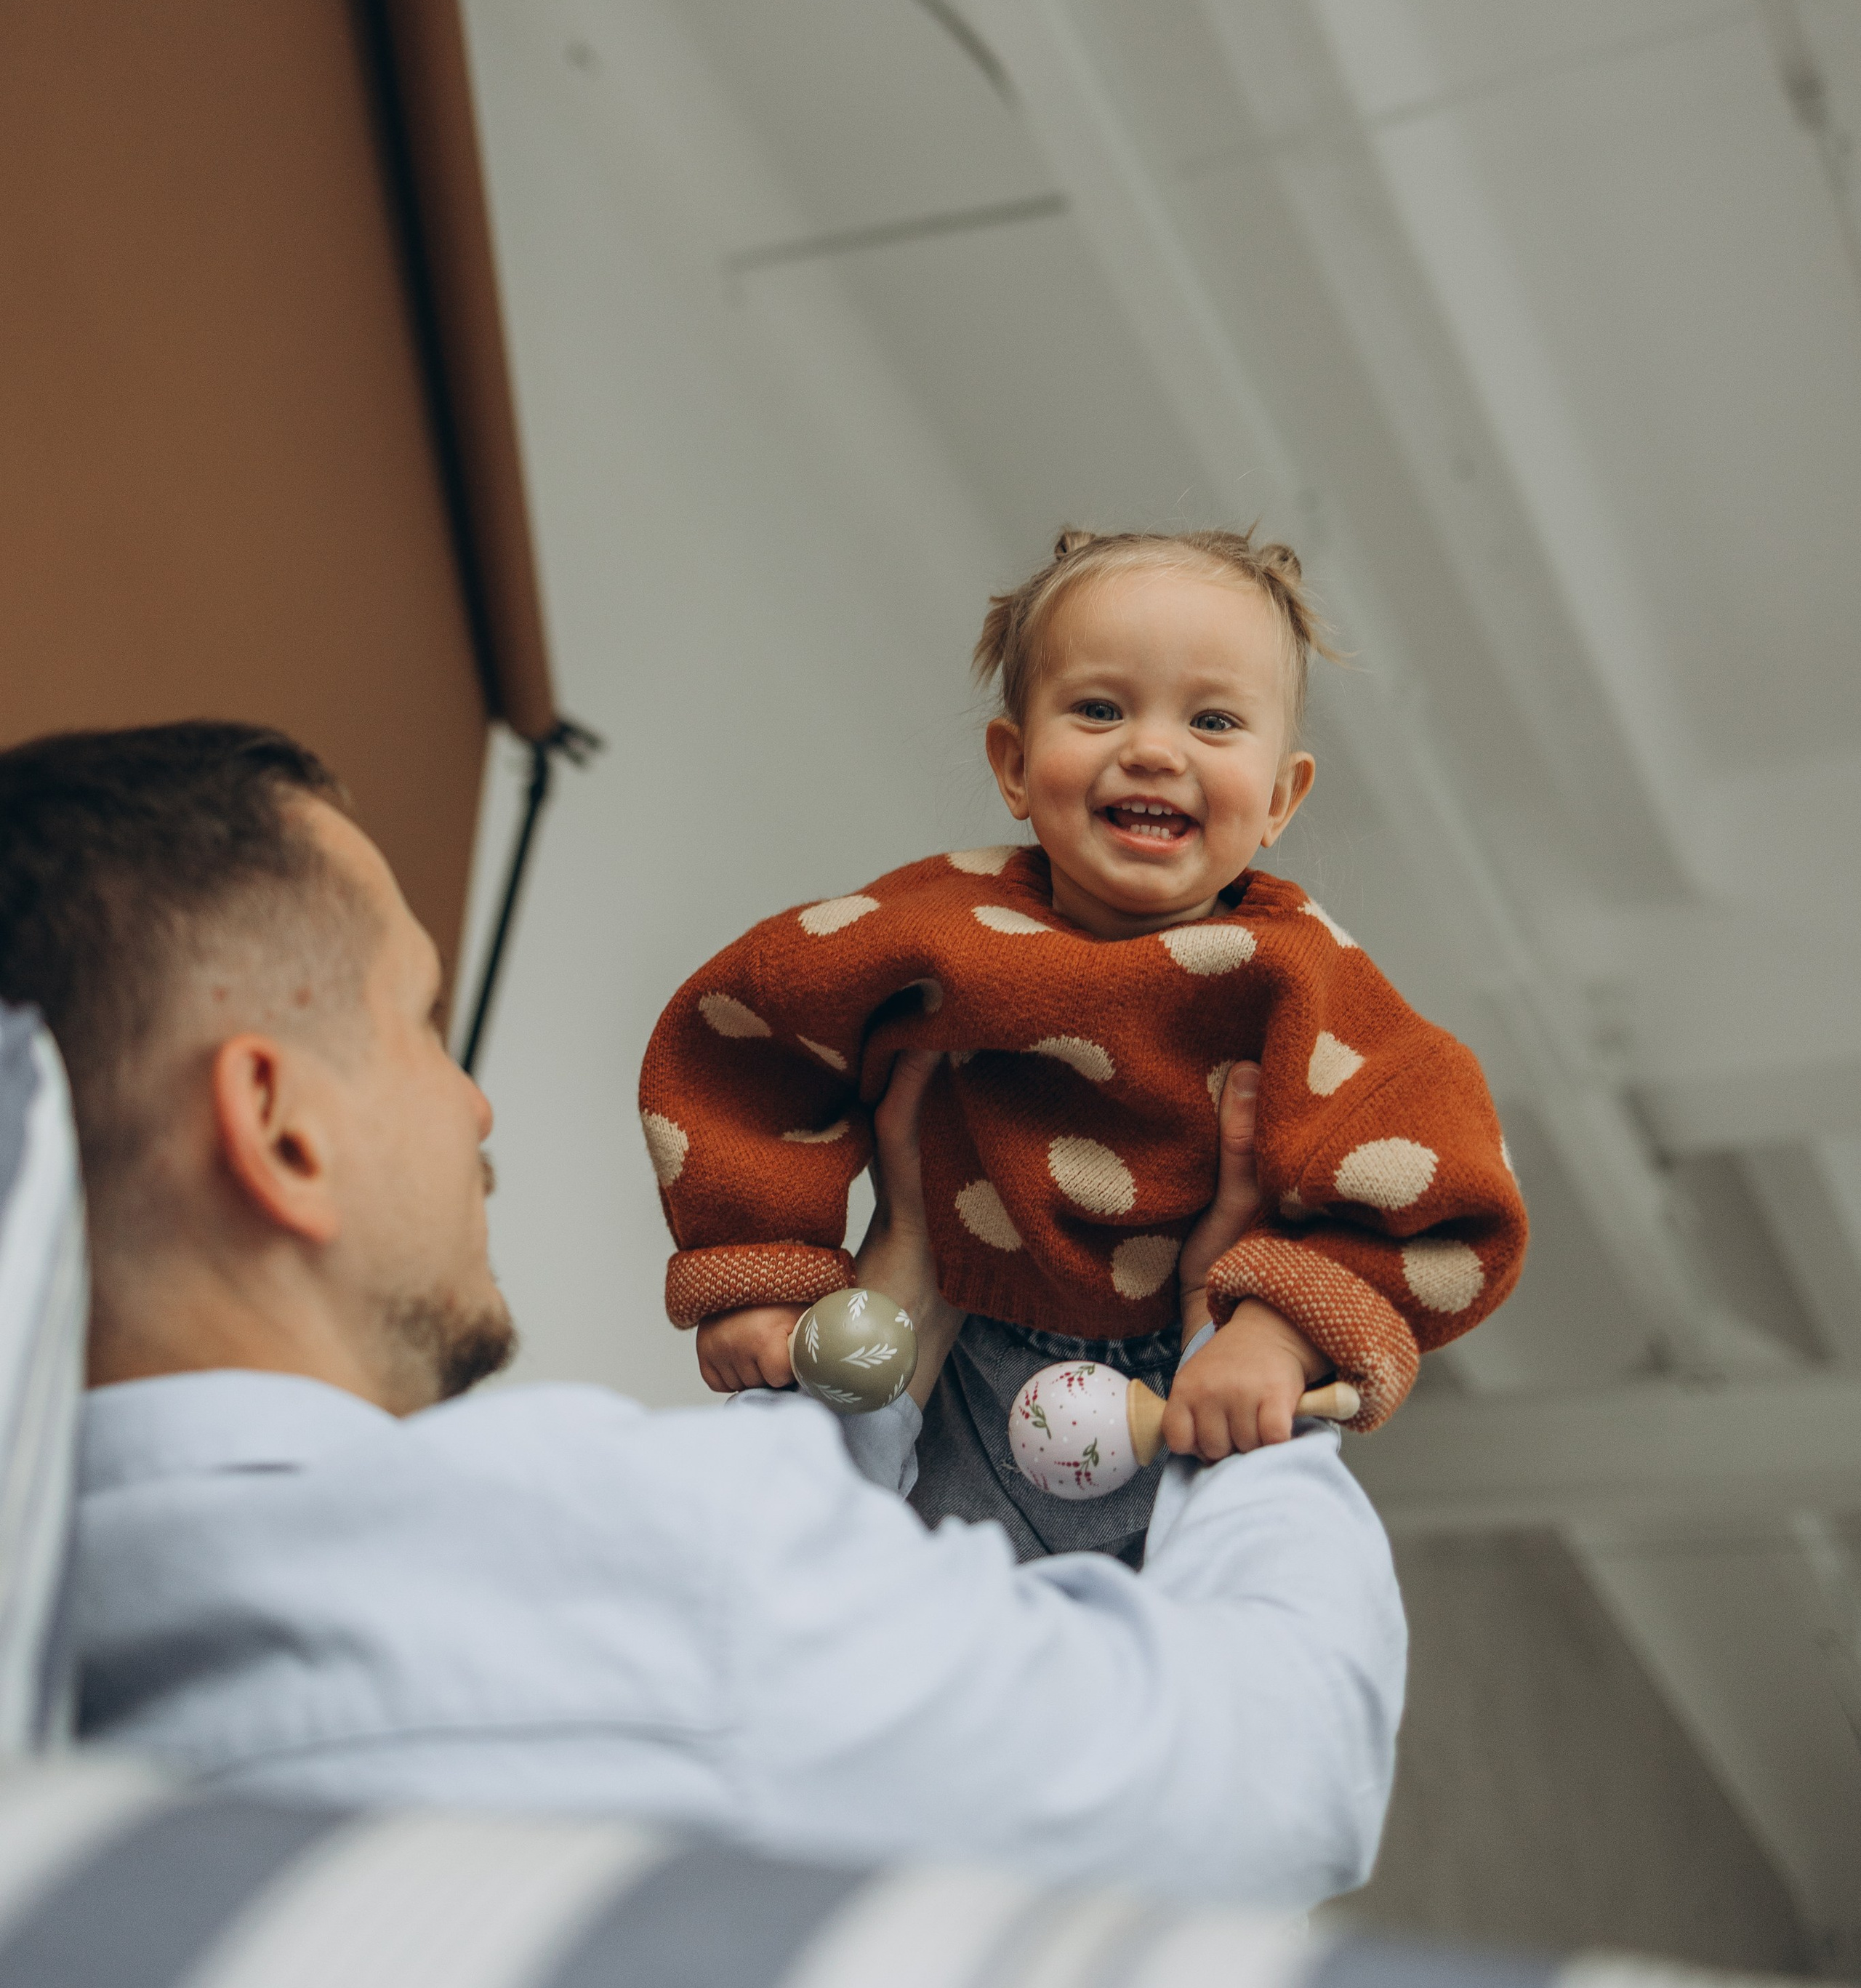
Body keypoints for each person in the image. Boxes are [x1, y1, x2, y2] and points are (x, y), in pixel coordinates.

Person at [0, 720, 1404, 1907]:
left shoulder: (75, 1640)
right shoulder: (625, 1567)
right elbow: (1280, 1762)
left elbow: (758, 1567)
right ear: (279, 1125)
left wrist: (892, 1310)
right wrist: (1242, 1376)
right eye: (420, 1025)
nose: (475, 1104)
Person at [643, 527, 1526, 1563]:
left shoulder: (1300, 976)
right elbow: (743, 1039)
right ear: (1015, 766)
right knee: (848, 1605)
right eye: (1100, 709)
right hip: (952, 1362)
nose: (1154, 749)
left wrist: (1273, 1334)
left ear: (1281, 799)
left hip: (1192, 1393)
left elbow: (1446, 1184)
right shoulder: (933, 928)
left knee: (1155, 1669)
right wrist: (761, 1277)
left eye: (1213, 720)